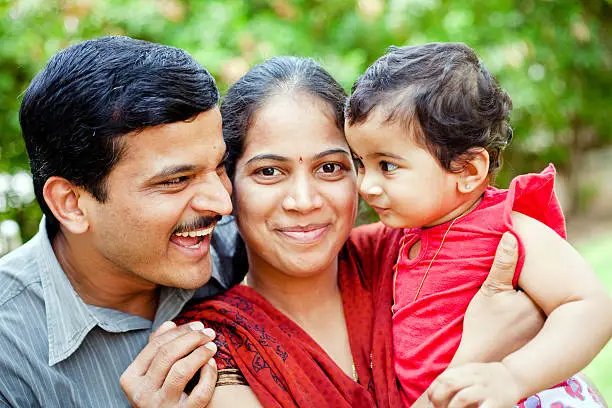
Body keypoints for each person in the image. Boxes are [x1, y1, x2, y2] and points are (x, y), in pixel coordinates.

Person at [174, 56, 553, 408]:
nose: (304, 201)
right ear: (228, 183)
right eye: (269, 172)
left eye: (330, 168)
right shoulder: (213, 349)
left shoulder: (425, 251)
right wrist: (475, 354)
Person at [344, 42, 612, 407]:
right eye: (360, 163)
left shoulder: (505, 229)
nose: (366, 185)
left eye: (387, 166)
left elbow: (591, 306)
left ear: (468, 171)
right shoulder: (407, 232)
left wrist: (512, 377)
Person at [0, 36, 244, 407]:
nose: (223, 203)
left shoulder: (244, 248)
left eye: (220, 166)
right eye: (176, 180)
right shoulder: (9, 352)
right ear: (71, 204)